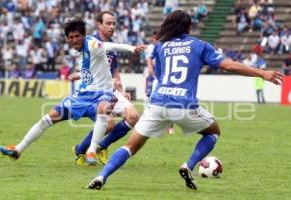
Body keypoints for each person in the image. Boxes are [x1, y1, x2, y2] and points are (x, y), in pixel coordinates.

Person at [87, 10, 283, 190]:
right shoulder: (199, 45)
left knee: (129, 147)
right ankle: (188, 165)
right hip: (184, 105)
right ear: (189, 28)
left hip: (157, 104)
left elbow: (159, 76)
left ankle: (101, 176)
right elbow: (229, 65)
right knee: (213, 132)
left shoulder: (160, 47)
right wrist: (261, 73)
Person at [0, 19, 145, 164]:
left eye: (77, 36)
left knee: (105, 109)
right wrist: (80, 74)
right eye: (71, 37)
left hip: (102, 94)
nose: (74, 40)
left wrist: (131, 48)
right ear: (67, 38)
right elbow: (94, 69)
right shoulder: (79, 50)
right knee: (49, 117)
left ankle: (92, 151)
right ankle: (18, 149)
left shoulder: (92, 43)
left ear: (84, 35)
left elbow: (109, 46)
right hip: (83, 95)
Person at [72, 11, 143, 166]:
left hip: (110, 89)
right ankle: (80, 149)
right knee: (109, 123)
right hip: (93, 91)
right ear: (99, 24)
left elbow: (114, 69)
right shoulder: (88, 42)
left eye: (113, 23)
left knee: (133, 117)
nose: (112, 27)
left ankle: (102, 146)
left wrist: (122, 90)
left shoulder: (113, 46)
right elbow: (83, 71)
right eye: (108, 23)